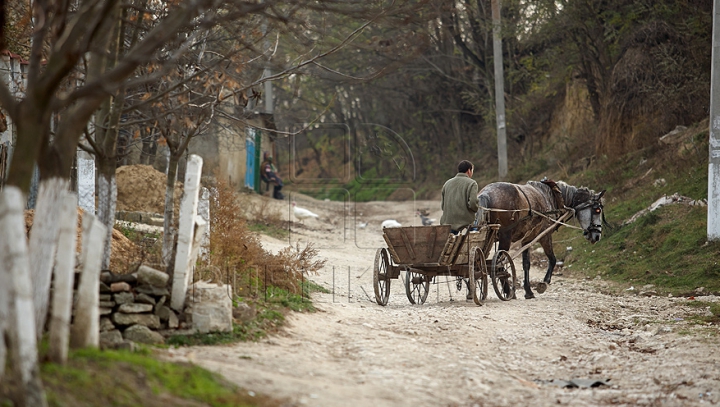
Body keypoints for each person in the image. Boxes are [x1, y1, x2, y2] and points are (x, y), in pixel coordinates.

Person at [440, 160, 480, 234]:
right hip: (465, 221)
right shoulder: (472, 183)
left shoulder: (447, 183)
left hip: (447, 222)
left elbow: (443, 206)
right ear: (469, 170)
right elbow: (473, 203)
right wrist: (476, 209)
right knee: (477, 222)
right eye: (472, 170)